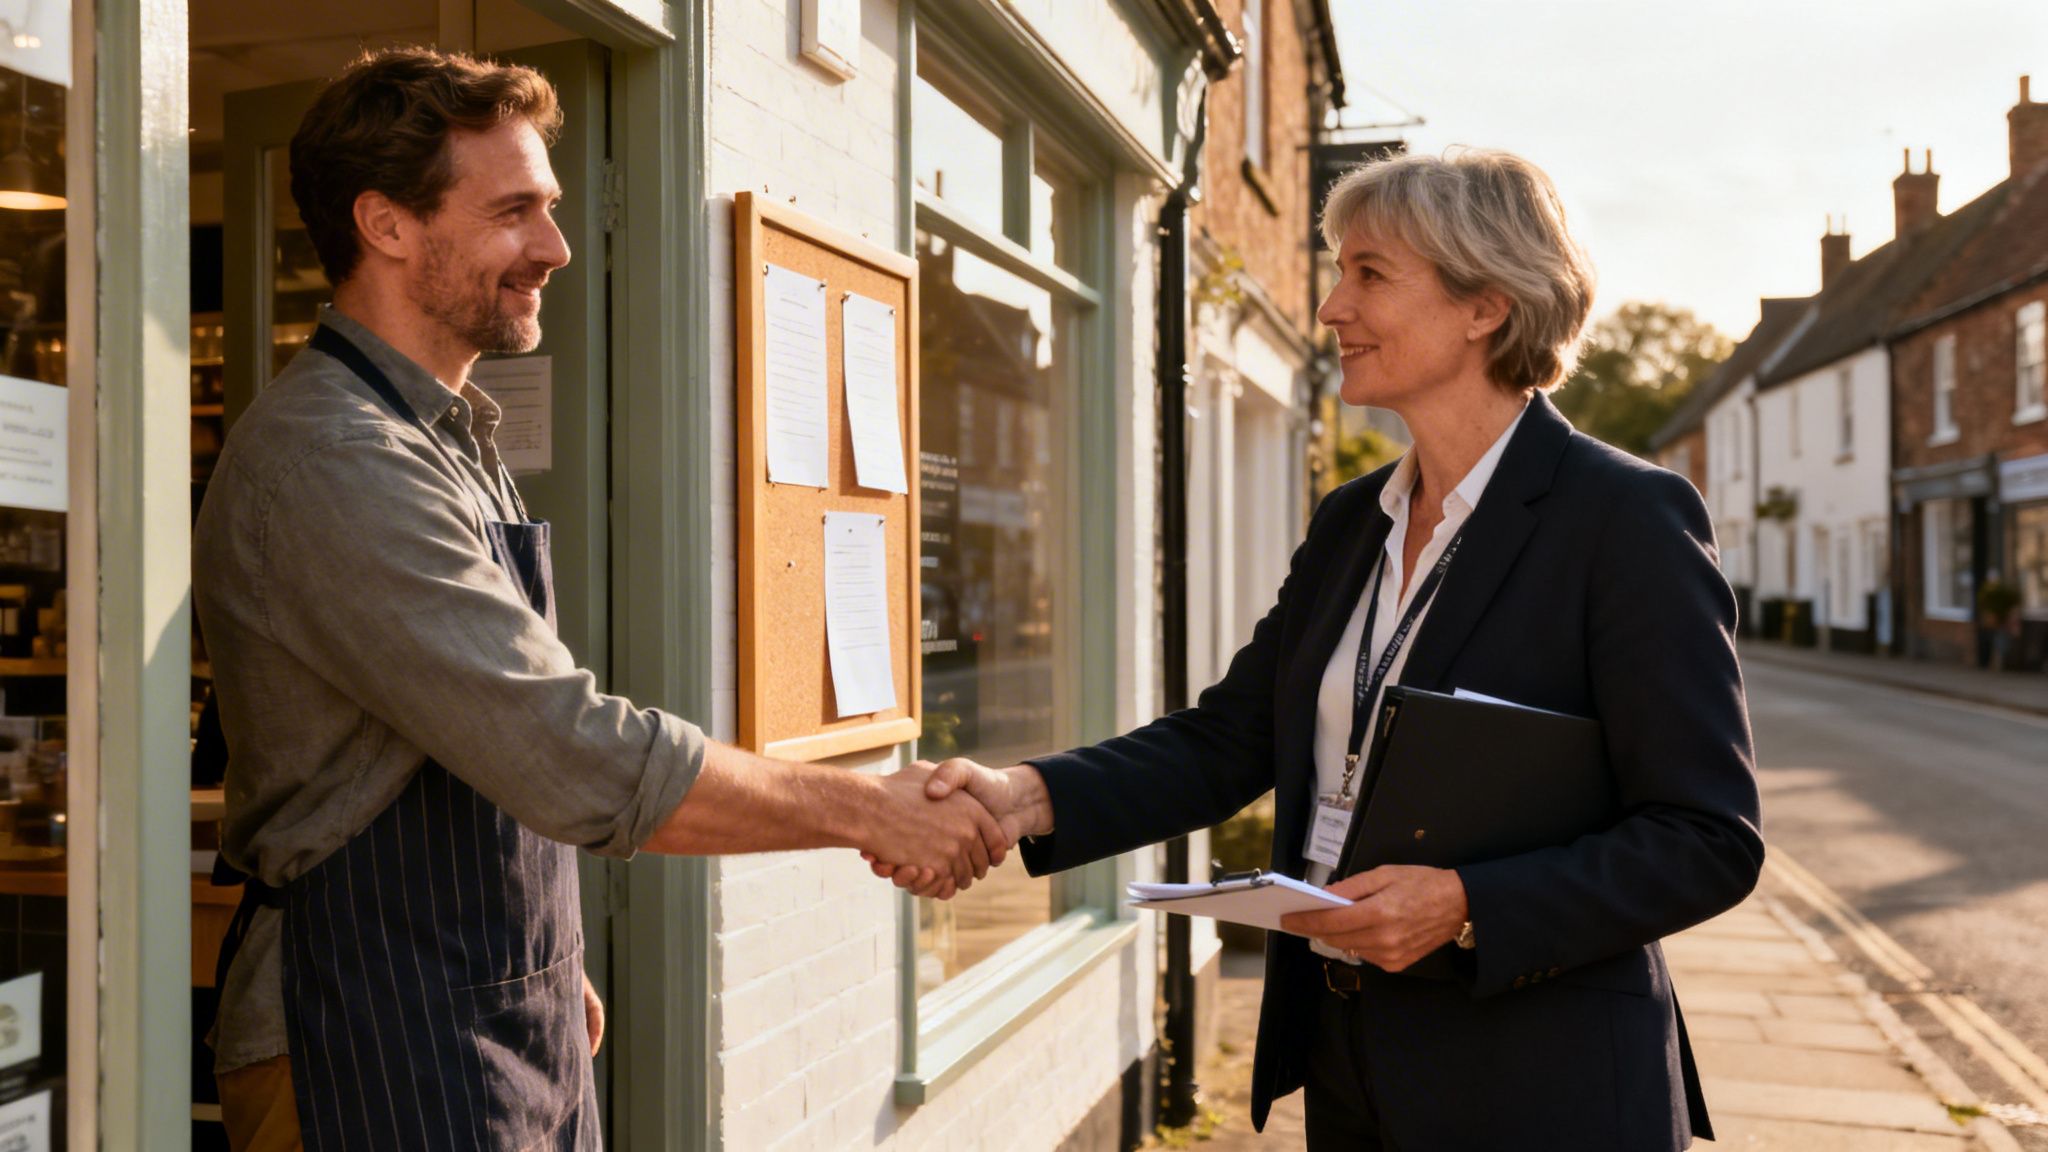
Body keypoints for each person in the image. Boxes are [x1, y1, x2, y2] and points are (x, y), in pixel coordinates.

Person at [192, 48, 1005, 1152]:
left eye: (554, 208)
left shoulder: (450, 435)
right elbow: (560, 747)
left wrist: (544, 957)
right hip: (364, 1028)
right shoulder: (336, 458)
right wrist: (869, 810)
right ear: (385, 225)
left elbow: (471, 742)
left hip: (483, 1002)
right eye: (515, 210)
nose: (555, 248)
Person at [882, 149, 1765, 1149]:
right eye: (1337, 270)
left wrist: (1465, 904)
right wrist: (1020, 797)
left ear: (1483, 304)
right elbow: (1230, 739)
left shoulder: (1623, 519)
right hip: (1349, 1070)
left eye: (1368, 273)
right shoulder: (1354, 521)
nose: (1329, 306)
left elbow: (1706, 839)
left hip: (1541, 1084)